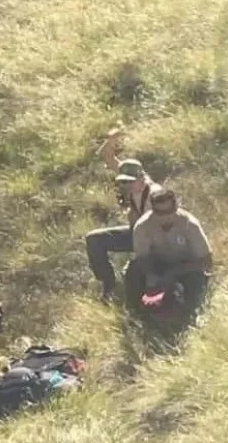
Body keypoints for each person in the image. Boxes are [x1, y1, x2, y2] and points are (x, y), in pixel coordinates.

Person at [85, 127, 164, 301]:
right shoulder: (132, 178)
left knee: (134, 273)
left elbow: (155, 228)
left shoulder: (154, 195)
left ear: (141, 178)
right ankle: (108, 284)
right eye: (123, 182)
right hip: (136, 233)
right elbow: (108, 158)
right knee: (94, 239)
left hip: (155, 242)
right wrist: (111, 140)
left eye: (129, 182)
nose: (125, 185)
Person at [124, 188, 212, 318]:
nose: (165, 216)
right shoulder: (143, 226)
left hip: (186, 267)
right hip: (157, 265)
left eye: (168, 211)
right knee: (133, 270)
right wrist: (151, 276)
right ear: (152, 209)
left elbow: (206, 260)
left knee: (196, 281)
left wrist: (174, 272)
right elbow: (142, 257)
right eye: (159, 212)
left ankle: (190, 316)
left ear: (176, 206)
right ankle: (136, 313)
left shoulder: (189, 224)